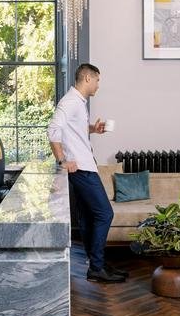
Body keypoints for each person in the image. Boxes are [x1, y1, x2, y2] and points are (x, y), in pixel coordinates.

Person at [47, 63, 126, 283]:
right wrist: (63, 160)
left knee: (90, 216)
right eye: (98, 80)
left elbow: (72, 129)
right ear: (88, 79)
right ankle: (97, 267)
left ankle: (97, 264)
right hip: (81, 168)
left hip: (85, 165)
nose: (99, 85)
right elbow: (53, 129)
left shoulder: (79, 102)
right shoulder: (71, 101)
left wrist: (93, 129)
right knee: (105, 213)